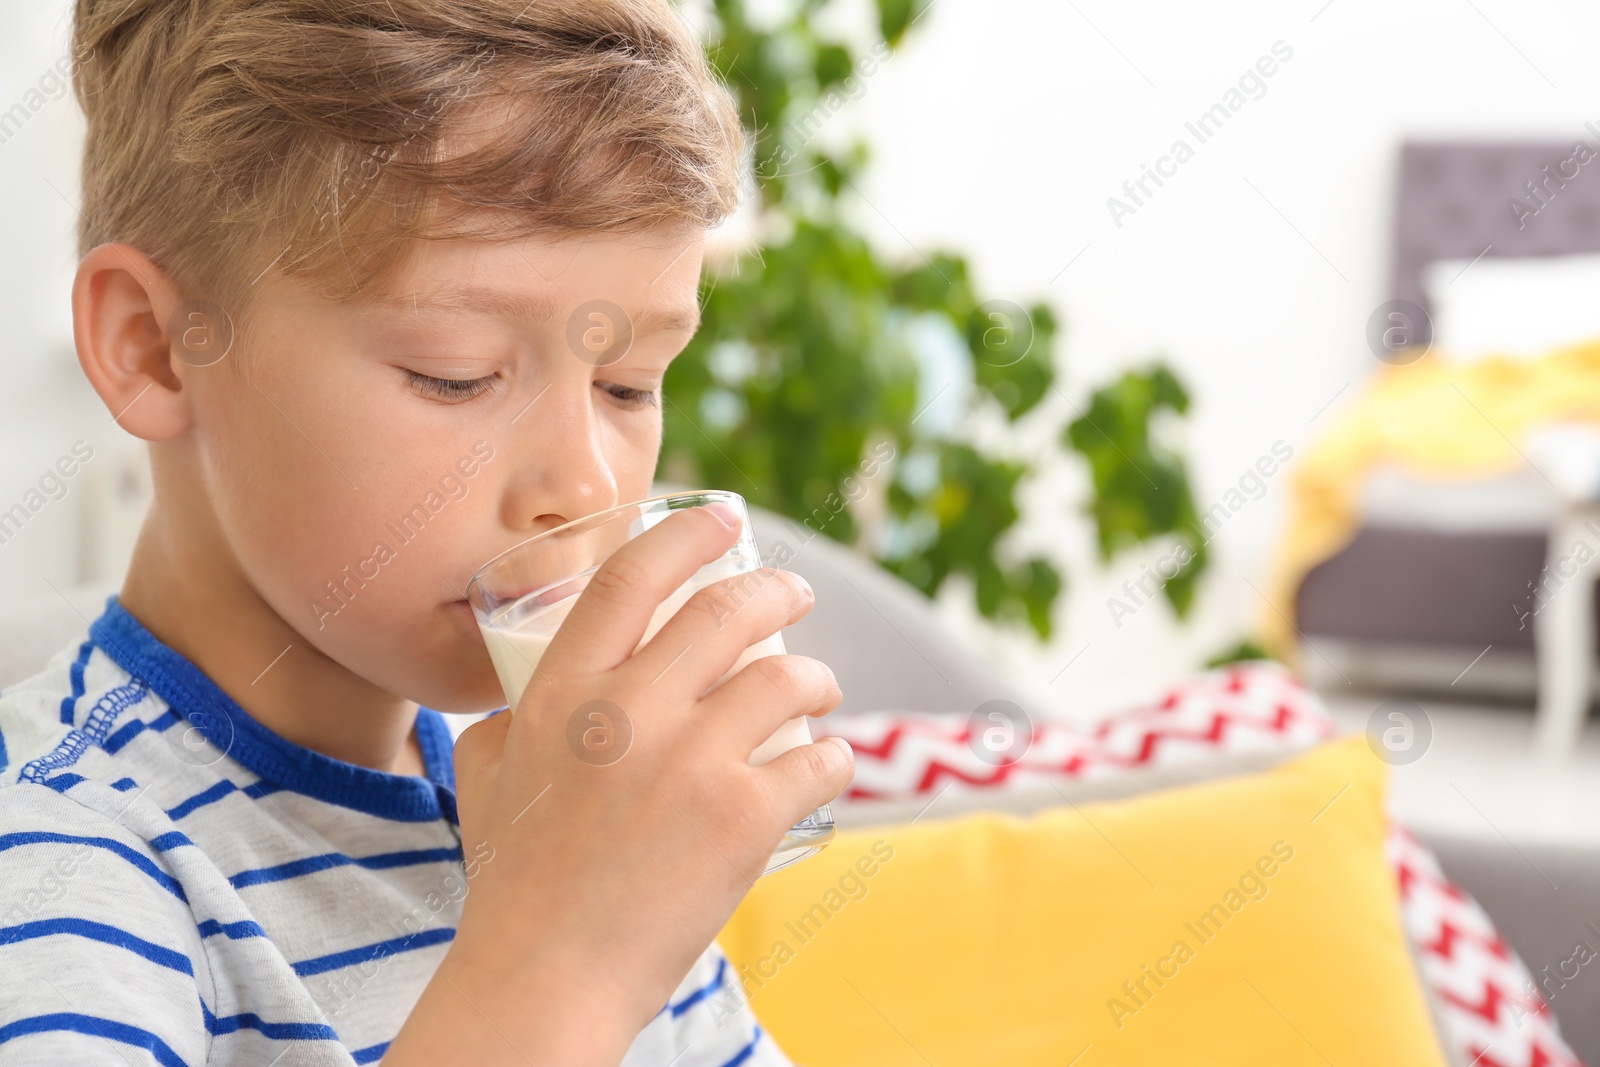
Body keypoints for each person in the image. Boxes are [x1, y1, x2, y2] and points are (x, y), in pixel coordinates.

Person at [0, 0, 854, 1062]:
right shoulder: (62, 853)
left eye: (629, 385)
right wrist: (564, 962)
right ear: (155, 347)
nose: (581, 479)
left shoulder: (565, 805)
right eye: (455, 374)